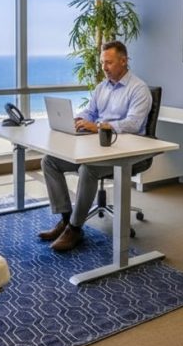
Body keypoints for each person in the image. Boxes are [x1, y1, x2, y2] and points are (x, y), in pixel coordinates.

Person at [39, 40, 152, 252]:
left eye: (108, 62)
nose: (104, 67)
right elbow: (91, 111)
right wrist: (79, 119)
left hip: (128, 152)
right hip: (98, 146)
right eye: (102, 63)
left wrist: (99, 126)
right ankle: (66, 219)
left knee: (88, 169)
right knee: (49, 161)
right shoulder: (102, 87)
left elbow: (133, 124)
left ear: (124, 61)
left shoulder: (139, 89)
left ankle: (75, 229)